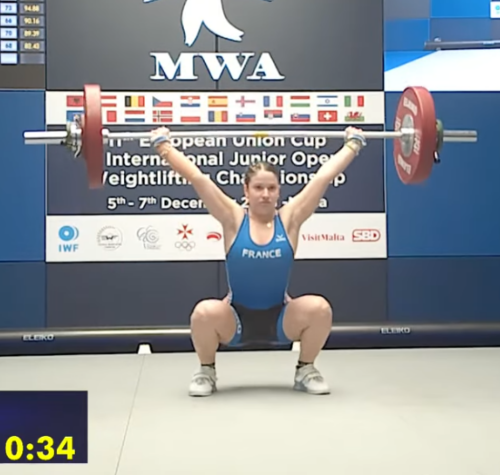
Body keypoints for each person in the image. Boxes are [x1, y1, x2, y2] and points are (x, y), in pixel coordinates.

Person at [150, 125, 367, 397]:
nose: (265, 194)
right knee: (203, 313)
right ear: (247, 190)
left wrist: (353, 145)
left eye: (271, 188)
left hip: (281, 318)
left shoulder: (289, 219)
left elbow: (322, 178)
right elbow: (198, 178)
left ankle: (306, 370)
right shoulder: (233, 219)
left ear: (278, 191)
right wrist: (164, 147)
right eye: (259, 187)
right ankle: (206, 371)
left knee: (320, 309)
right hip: (235, 319)